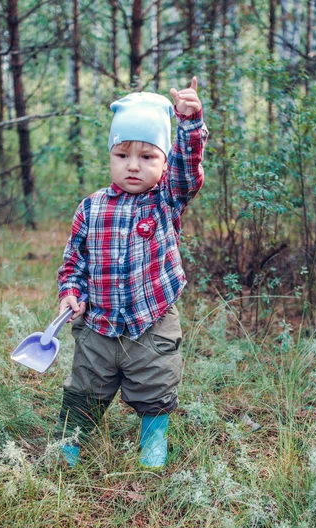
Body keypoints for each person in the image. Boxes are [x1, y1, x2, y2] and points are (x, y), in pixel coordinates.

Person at [56, 76, 208, 468]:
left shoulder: (166, 199)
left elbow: (187, 172)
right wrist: (70, 291)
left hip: (151, 320)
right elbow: (74, 260)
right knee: (85, 387)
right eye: (123, 155)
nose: (134, 165)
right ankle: (69, 446)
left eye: (148, 156)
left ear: (164, 161)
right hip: (98, 323)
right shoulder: (91, 207)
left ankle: (152, 443)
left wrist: (189, 124)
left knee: (155, 382)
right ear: (110, 156)